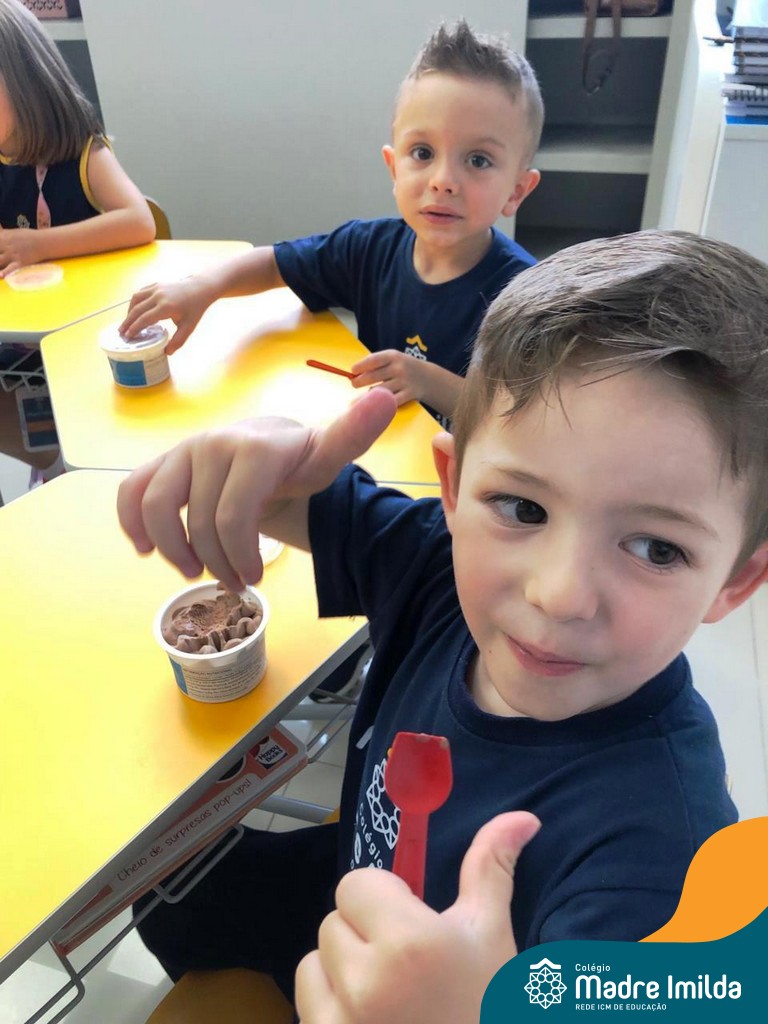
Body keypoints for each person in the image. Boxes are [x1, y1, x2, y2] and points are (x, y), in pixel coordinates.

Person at [118, 230, 768, 1023]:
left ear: (736, 580)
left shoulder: (664, 870)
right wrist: (268, 452)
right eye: (523, 507)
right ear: (454, 488)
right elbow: (298, 500)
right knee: (166, 895)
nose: (558, 594)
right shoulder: (439, 567)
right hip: (355, 875)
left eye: (657, 548)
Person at [118, 20, 543, 426]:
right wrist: (200, 288)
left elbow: (524, 420)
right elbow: (274, 264)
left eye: (478, 160)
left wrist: (429, 382)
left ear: (517, 191)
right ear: (394, 168)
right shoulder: (368, 248)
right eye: (422, 153)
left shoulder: (525, 298)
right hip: (378, 446)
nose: (443, 180)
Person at [0, 0, 156, 478]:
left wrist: (37, 245)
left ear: (27, 84)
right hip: (18, 346)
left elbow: (139, 221)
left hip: (88, 339)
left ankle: (66, 467)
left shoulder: (84, 152)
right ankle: (50, 467)